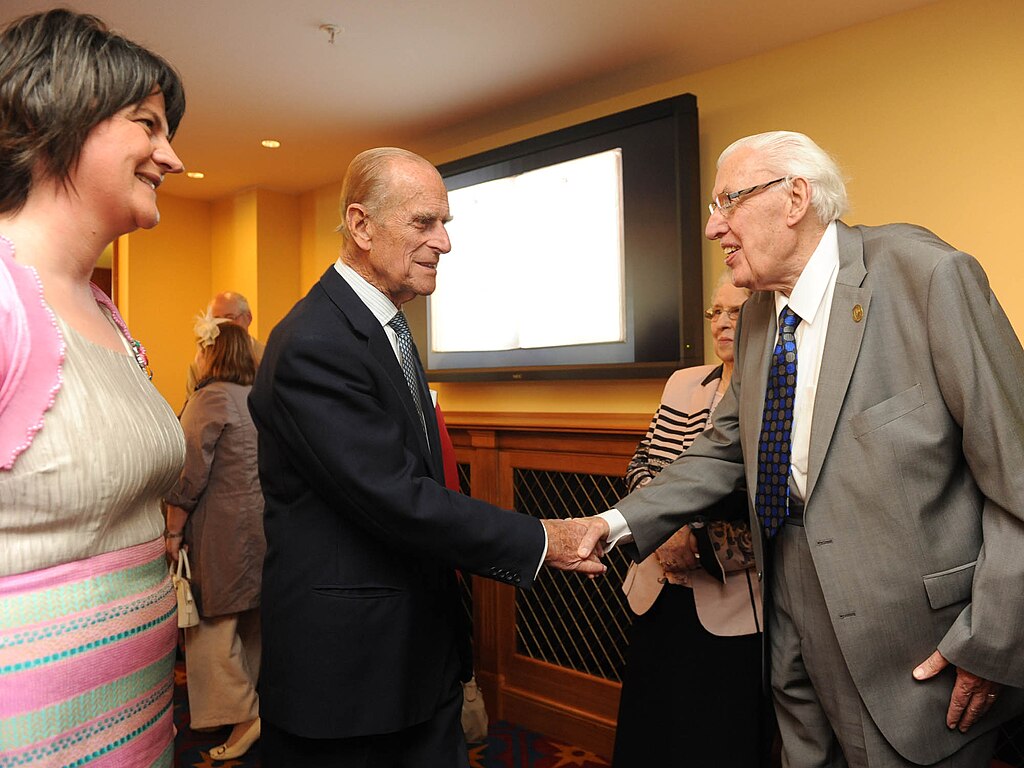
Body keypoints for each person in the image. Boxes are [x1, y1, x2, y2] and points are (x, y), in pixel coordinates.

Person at [578, 131, 1024, 767]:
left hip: (923, 656)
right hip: (792, 633)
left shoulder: (926, 277)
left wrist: (992, 642)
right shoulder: (761, 314)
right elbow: (723, 449)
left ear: (794, 198)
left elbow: (1017, 474)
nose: (712, 228)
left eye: (727, 202)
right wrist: (610, 523)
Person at [247, 146, 604, 766]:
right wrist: (543, 536)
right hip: (351, 679)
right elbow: (395, 496)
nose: (444, 243)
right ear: (360, 226)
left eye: (445, 224)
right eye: (423, 223)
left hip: (411, 663)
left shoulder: (381, 325)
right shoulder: (315, 342)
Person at [0, 9, 185, 766]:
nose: (170, 157)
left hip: (136, 730)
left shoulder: (104, 311)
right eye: (148, 124)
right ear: (59, 117)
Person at [612, 275, 766, 765]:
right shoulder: (683, 382)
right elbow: (641, 464)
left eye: (735, 312)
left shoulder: (779, 391)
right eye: (714, 313)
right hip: (658, 590)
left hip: (733, 604)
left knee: (715, 739)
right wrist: (660, 528)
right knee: (651, 732)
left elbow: (773, 506)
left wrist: (698, 545)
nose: (721, 323)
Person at [165, 320, 266, 761]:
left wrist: (172, 530)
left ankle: (243, 715)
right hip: (261, 524)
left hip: (220, 529)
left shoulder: (208, 400)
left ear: (212, 353)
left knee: (209, 624)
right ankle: (249, 703)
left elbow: (188, 473)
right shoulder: (258, 398)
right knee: (250, 622)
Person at [185, 291, 265, 396]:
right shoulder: (199, 365)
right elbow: (190, 407)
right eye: (217, 320)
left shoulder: (267, 357)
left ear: (248, 318)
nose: (223, 326)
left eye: (230, 318)